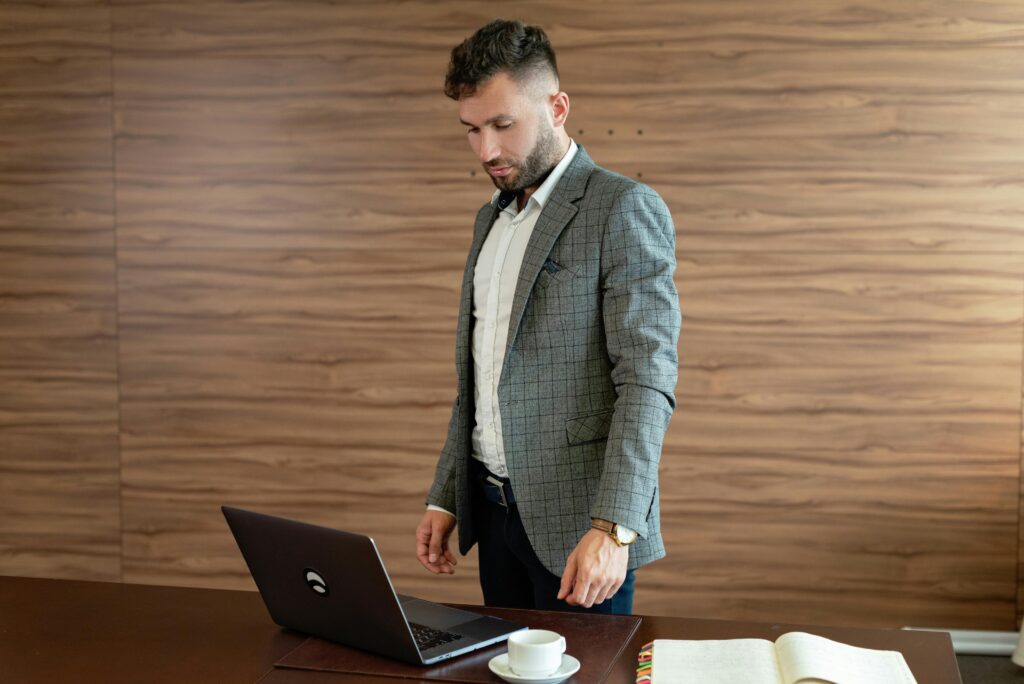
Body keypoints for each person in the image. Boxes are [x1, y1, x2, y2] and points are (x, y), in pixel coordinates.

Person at [415, 18, 680, 615]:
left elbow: (646, 380)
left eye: (503, 125)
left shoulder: (621, 208)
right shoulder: (490, 219)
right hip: (491, 510)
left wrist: (615, 529)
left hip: (581, 528)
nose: (487, 150)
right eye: (472, 129)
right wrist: (447, 494)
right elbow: (482, 377)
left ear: (557, 107)